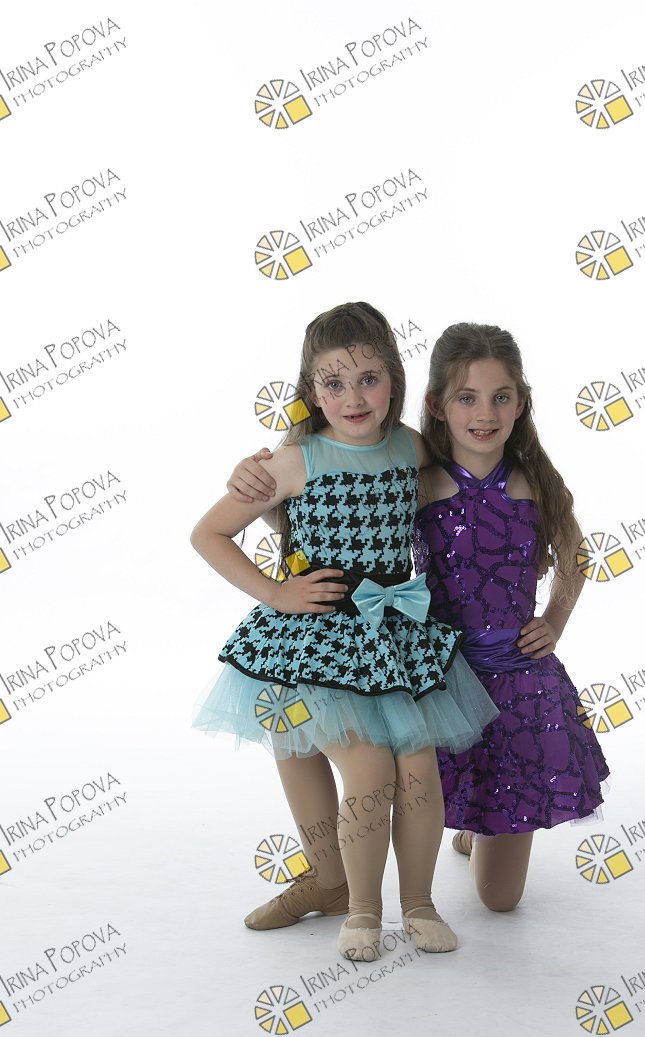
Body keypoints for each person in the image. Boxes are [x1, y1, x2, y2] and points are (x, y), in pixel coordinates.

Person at [227, 321, 609, 918]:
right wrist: (259, 478)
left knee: (500, 900)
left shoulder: (530, 480)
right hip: (437, 668)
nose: (484, 414)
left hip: (516, 677)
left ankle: (475, 830)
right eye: (466, 398)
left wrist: (556, 619)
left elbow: (576, 553)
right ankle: (345, 885)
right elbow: (333, 507)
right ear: (435, 404)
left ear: (521, 403)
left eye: (501, 397)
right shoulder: (418, 473)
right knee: (361, 759)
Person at [191, 302, 498, 961]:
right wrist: (277, 591)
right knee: (368, 767)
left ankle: (419, 903)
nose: (353, 398)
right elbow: (208, 533)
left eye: (368, 379)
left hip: (392, 632)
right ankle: (360, 909)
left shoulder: (410, 446)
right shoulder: (294, 458)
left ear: (394, 380)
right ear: (311, 390)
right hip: (316, 637)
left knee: (418, 767)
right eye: (334, 383)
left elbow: (459, 480)